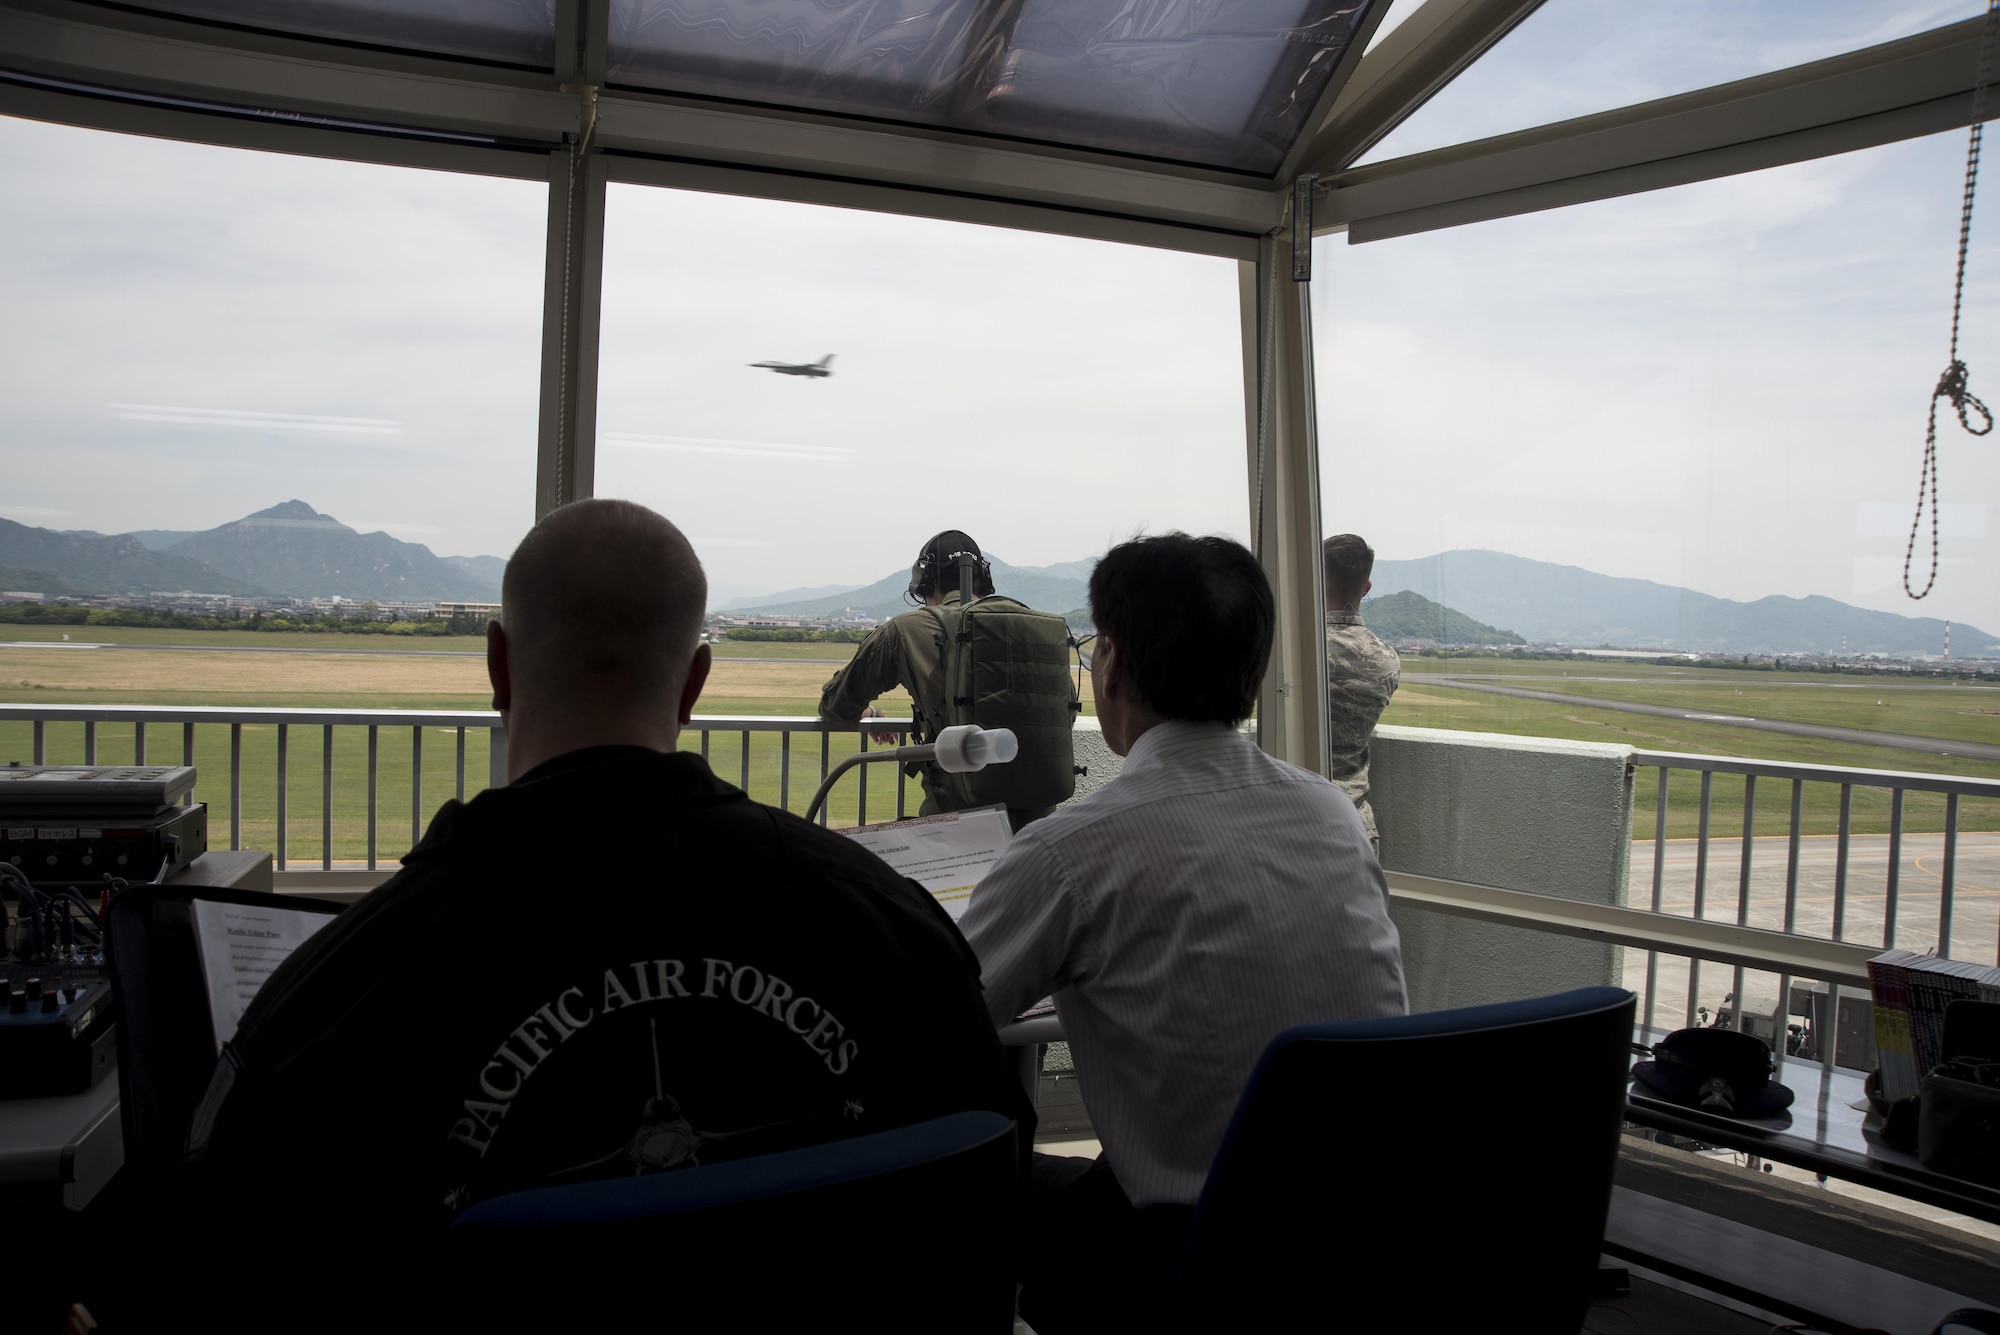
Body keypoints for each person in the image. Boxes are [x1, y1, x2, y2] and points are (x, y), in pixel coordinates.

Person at [184, 500, 1032, 1320]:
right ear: (696, 679)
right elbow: (990, 1167)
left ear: (497, 667)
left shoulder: (348, 990)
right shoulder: (895, 930)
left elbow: (225, 1245)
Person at [958, 532, 1407, 1334]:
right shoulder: (1331, 814)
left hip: (1184, 1261)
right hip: (1362, 1244)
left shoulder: (1072, 850)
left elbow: (935, 1006)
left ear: (1114, 665)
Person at [818, 529, 1076, 831]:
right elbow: (1064, 710)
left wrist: (868, 712)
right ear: (983, 579)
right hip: (1039, 827)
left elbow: (835, 705)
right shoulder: (1031, 627)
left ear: (925, 582)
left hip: (954, 826)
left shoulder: (906, 629)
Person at [1324, 532, 1401, 855]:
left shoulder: (1296, 652)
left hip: (1294, 820)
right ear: (1366, 586)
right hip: (1357, 825)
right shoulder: (1387, 659)